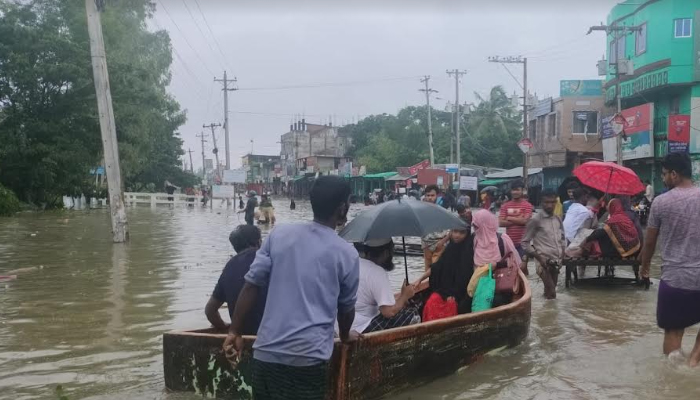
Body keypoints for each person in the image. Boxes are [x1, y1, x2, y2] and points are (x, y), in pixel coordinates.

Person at [223, 176, 359, 399]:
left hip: (265, 355)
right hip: (307, 361)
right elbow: (346, 309)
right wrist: (345, 335)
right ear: (343, 207)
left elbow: (251, 285)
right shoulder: (347, 254)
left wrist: (234, 331)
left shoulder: (279, 234)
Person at [641, 152, 700, 367]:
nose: (664, 178)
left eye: (665, 174)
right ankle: (694, 361)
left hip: (675, 278)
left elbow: (650, 241)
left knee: (673, 331)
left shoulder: (661, 202)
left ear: (675, 174)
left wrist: (645, 265)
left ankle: (674, 376)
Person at [204, 225, 265, 334]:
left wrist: (225, 328)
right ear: (259, 242)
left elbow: (210, 311)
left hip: (241, 337)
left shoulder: (230, 266)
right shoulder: (267, 260)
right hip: (272, 338)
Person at [350, 238, 418, 334]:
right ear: (386, 253)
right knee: (411, 314)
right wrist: (404, 296)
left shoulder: (354, 263)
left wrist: (402, 296)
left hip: (342, 325)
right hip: (360, 328)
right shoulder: (377, 272)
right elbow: (388, 312)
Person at [413, 226, 475, 318]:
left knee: (450, 305)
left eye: (462, 233)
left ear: (467, 234)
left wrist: (454, 295)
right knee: (431, 301)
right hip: (444, 290)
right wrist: (420, 279)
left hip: (461, 293)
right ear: (451, 232)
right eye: (455, 231)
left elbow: (466, 279)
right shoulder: (449, 249)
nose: (457, 235)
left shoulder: (470, 252)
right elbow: (436, 267)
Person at [468, 210, 521, 307]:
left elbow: (514, 262)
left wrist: (496, 265)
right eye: (474, 226)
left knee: (496, 301)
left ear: (485, 224)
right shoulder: (473, 240)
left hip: (499, 285)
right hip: (478, 285)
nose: (475, 229)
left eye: (477, 225)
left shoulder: (502, 239)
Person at [522, 189, 565, 300]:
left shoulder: (558, 219)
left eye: (552, 202)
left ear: (556, 202)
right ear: (541, 202)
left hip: (556, 261)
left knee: (549, 292)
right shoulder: (535, 220)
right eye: (546, 202)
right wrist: (538, 257)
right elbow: (524, 242)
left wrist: (562, 256)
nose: (550, 205)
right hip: (543, 261)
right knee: (552, 293)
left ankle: (544, 312)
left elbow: (563, 239)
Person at [498, 180, 534, 258]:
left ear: (523, 191)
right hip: (509, 242)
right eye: (513, 190)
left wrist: (509, 217)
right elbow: (500, 223)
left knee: (523, 267)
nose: (515, 192)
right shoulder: (505, 206)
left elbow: (525, 221)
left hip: (523, 243)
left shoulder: (528, 206)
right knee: (511, 267)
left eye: (517, 190)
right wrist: (518, 219)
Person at [421, 185, 449, 270]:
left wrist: (442, 242)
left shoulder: (443, 212)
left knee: (436, 269)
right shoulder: (420, 211)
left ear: (437, 196)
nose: (430, 198)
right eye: (428, 195)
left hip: (439, 244)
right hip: (426, 244)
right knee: (427, 270)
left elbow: (450, 230)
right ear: (425, 196)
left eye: (432, 195)